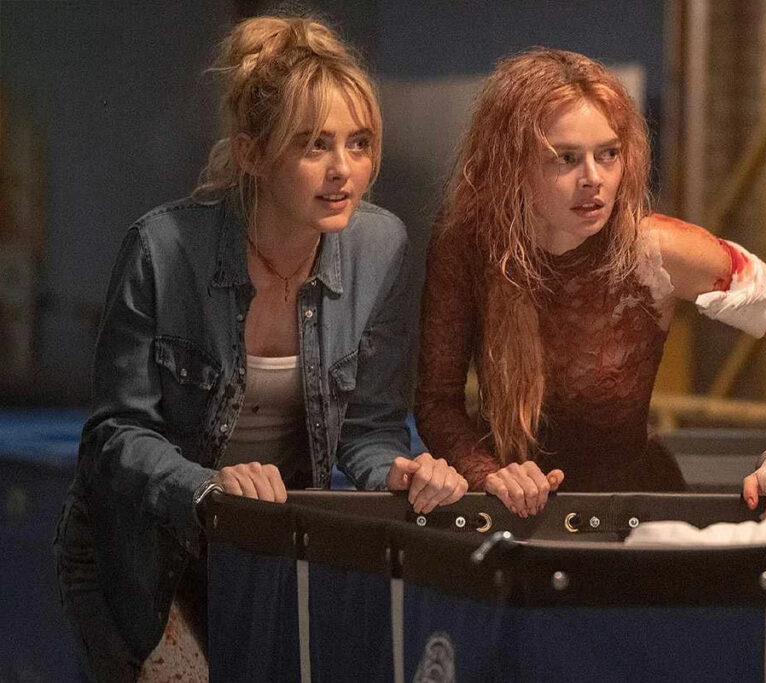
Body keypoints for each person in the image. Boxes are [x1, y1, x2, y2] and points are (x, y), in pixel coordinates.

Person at [54, 15, 467, 681]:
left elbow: (369, 429)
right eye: (313, 145)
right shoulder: (163, 248)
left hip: (264, 553)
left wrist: (397, 472)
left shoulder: (381, 246)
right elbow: (114, 436)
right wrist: (208, 486)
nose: (343, 170)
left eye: (359, 143)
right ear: (252, 154)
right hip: (141, 555)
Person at [416, 48, 766, 519]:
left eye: (608, 154)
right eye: (565, 158)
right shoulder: (469, 241)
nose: (594, 179)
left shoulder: (653, 248)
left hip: (634, 512)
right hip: (516, 511)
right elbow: (436, 403)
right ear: (510, 163)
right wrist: (488, 474)